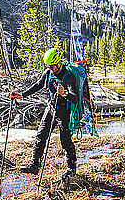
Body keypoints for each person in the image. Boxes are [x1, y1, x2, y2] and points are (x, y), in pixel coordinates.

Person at [10, 48, 79, 179]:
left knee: (65, 140)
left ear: (59, 63)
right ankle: (34, 164)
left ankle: (71, 169)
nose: (51, 69)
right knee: (41, 136)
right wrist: (22, 95)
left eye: (53, 66)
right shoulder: (48, 73)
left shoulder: (68, 76)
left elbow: (75, 98)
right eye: (49, 67)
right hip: (51, 108)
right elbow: (38, 85)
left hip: (64, 111)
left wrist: (64, 93)